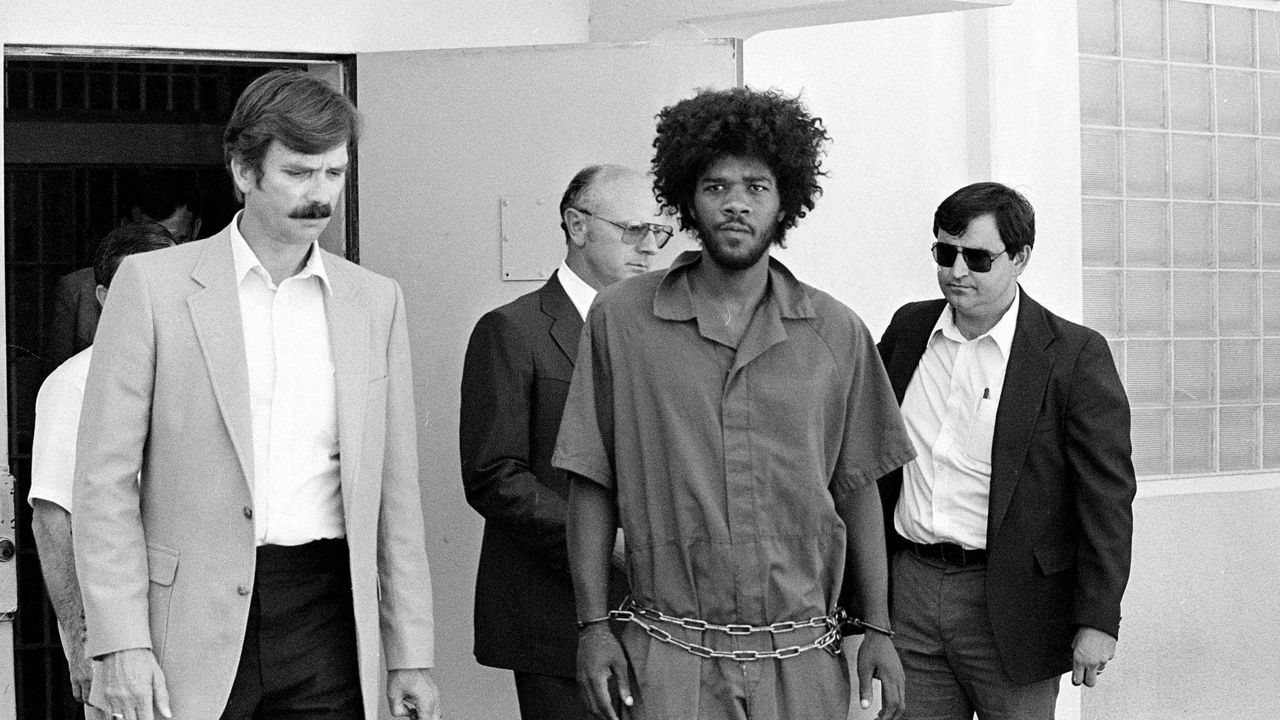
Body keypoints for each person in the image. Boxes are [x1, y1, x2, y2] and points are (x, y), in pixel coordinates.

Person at [72, 69, 439, 720]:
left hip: (328, 614)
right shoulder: (153, 288)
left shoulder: (374, 301)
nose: (320, 194)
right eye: (299, 172)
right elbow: (103, 484)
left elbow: (396, 492)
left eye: (334, 173)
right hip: (189, 618)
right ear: (244, 171)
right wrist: (121, 642)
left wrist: (410, 653)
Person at [553, 87, 916, 720]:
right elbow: (591, 478)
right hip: (667, 658)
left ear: (786, 201)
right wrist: (592, 625)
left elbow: (860, 488)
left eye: (757, 187)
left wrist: (878, 628)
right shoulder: (622, 321)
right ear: (688, 199)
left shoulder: (836, 333)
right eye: (716, 186)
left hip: (801, 658)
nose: (736, 204)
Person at [876, 182, 1136, 719]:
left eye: (977, 257)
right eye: (945, 253)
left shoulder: (1073, 355)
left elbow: (1106, 499)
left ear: (1020, 258)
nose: (957, 271)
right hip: (912, 589)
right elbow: (867, 449)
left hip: (1016, 604)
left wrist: (1098, 618)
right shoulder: (909, 329)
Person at [460, 164, 667, 719]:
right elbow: (494, 475)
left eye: (658, 232)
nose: (650, 248)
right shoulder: (512, 329)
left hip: (662, 619)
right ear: (577, 226)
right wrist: (602, 543)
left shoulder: (663, 335)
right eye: (633, 230)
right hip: (555, 617)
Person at [29, 221, 176, 719]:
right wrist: (82, 642)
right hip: (116, 647)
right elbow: (52, 521)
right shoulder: (72, 385)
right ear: (103, 298)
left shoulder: (199, 379)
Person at [45, 170, 202, 366]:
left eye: (175, 241)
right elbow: (56, 371)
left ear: (196, 229)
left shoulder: (209, 287)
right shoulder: (76, 290)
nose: (159, 258)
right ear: (125, 226)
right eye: (147, 241)